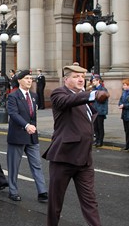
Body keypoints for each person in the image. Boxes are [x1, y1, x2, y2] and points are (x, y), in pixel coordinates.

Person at [42, 64, 109, 226]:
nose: (81, 80)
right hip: (64, 157)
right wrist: (93, 94)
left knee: (90, 202)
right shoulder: (60, 93)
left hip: (85, 160)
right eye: (76, 76)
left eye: (83, 77)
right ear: (66, 79)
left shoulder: (83, 97)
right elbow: (68, 101)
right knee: (55, 203)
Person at [6, 70, 48, 203]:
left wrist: (32, 128)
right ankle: (13, 191)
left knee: (37, 164)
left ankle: (42, 191)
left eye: (31, 78)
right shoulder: (13, 96)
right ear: (19, 80)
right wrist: (26, 126)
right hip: (18, 135)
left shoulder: (34, 96)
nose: (30, 81)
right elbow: (13, 114)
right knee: (14, 165)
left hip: (32, 136)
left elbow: (33, 116)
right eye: (26, 78)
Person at [91, 74, 108, 147]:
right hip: (94, 110)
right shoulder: (94, 89)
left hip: (100, 111)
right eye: (93, 81)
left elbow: (103, 100)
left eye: (94, 80)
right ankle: (97, 139)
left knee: (100, 126)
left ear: (98, 81)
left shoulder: (103, 89)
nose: (93, 82)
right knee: (95, 127)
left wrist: (96, 97)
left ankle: (100, 141)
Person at [118, 78, 129, 152]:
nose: (123, 86)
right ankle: (127, 145)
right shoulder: (124, 92)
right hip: (125, 115)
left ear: (128, 85)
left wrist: (124, 106)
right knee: (126, 131)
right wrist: (120, 104)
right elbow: (120, 100)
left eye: (124, 85)